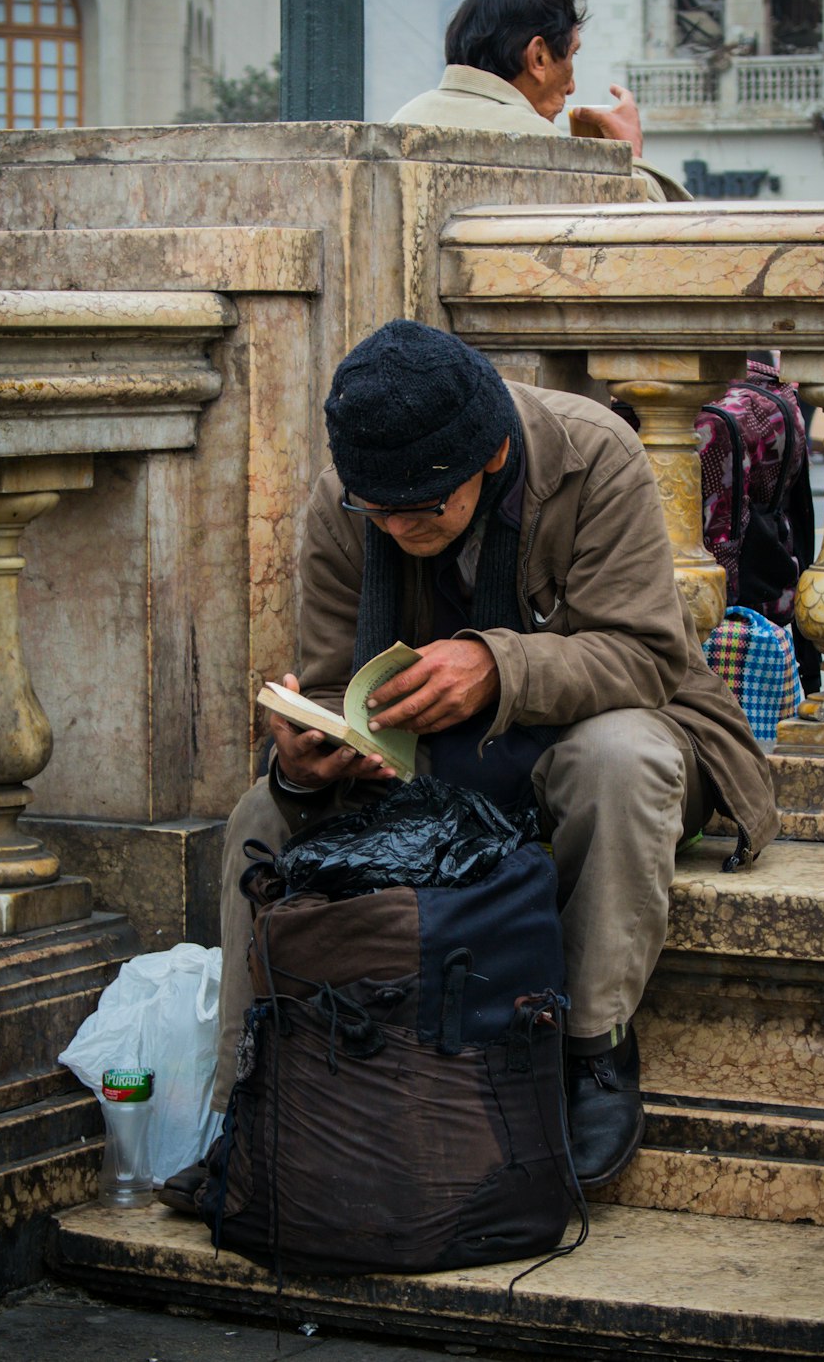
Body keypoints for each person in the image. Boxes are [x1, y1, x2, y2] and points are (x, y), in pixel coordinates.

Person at [162, 320, 778, 1213]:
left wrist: (499, 667)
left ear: (490, 456)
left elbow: (647, 653)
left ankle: (592, 1052)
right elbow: (337, 679)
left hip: (595, 737)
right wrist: (310, 755)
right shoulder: (352, 500)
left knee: (620, 757)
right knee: (262, 812)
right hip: (429, 765)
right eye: (379, 510)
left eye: (423, 508)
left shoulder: (595, 456)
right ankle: (246, 1109)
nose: (398, 526)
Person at [389, 0, 690, 202]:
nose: (571, 87)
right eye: (572, 55)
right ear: (539, 57)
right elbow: (653, 238)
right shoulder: (539, 145)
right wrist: (631, 155)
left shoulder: (402, 121)